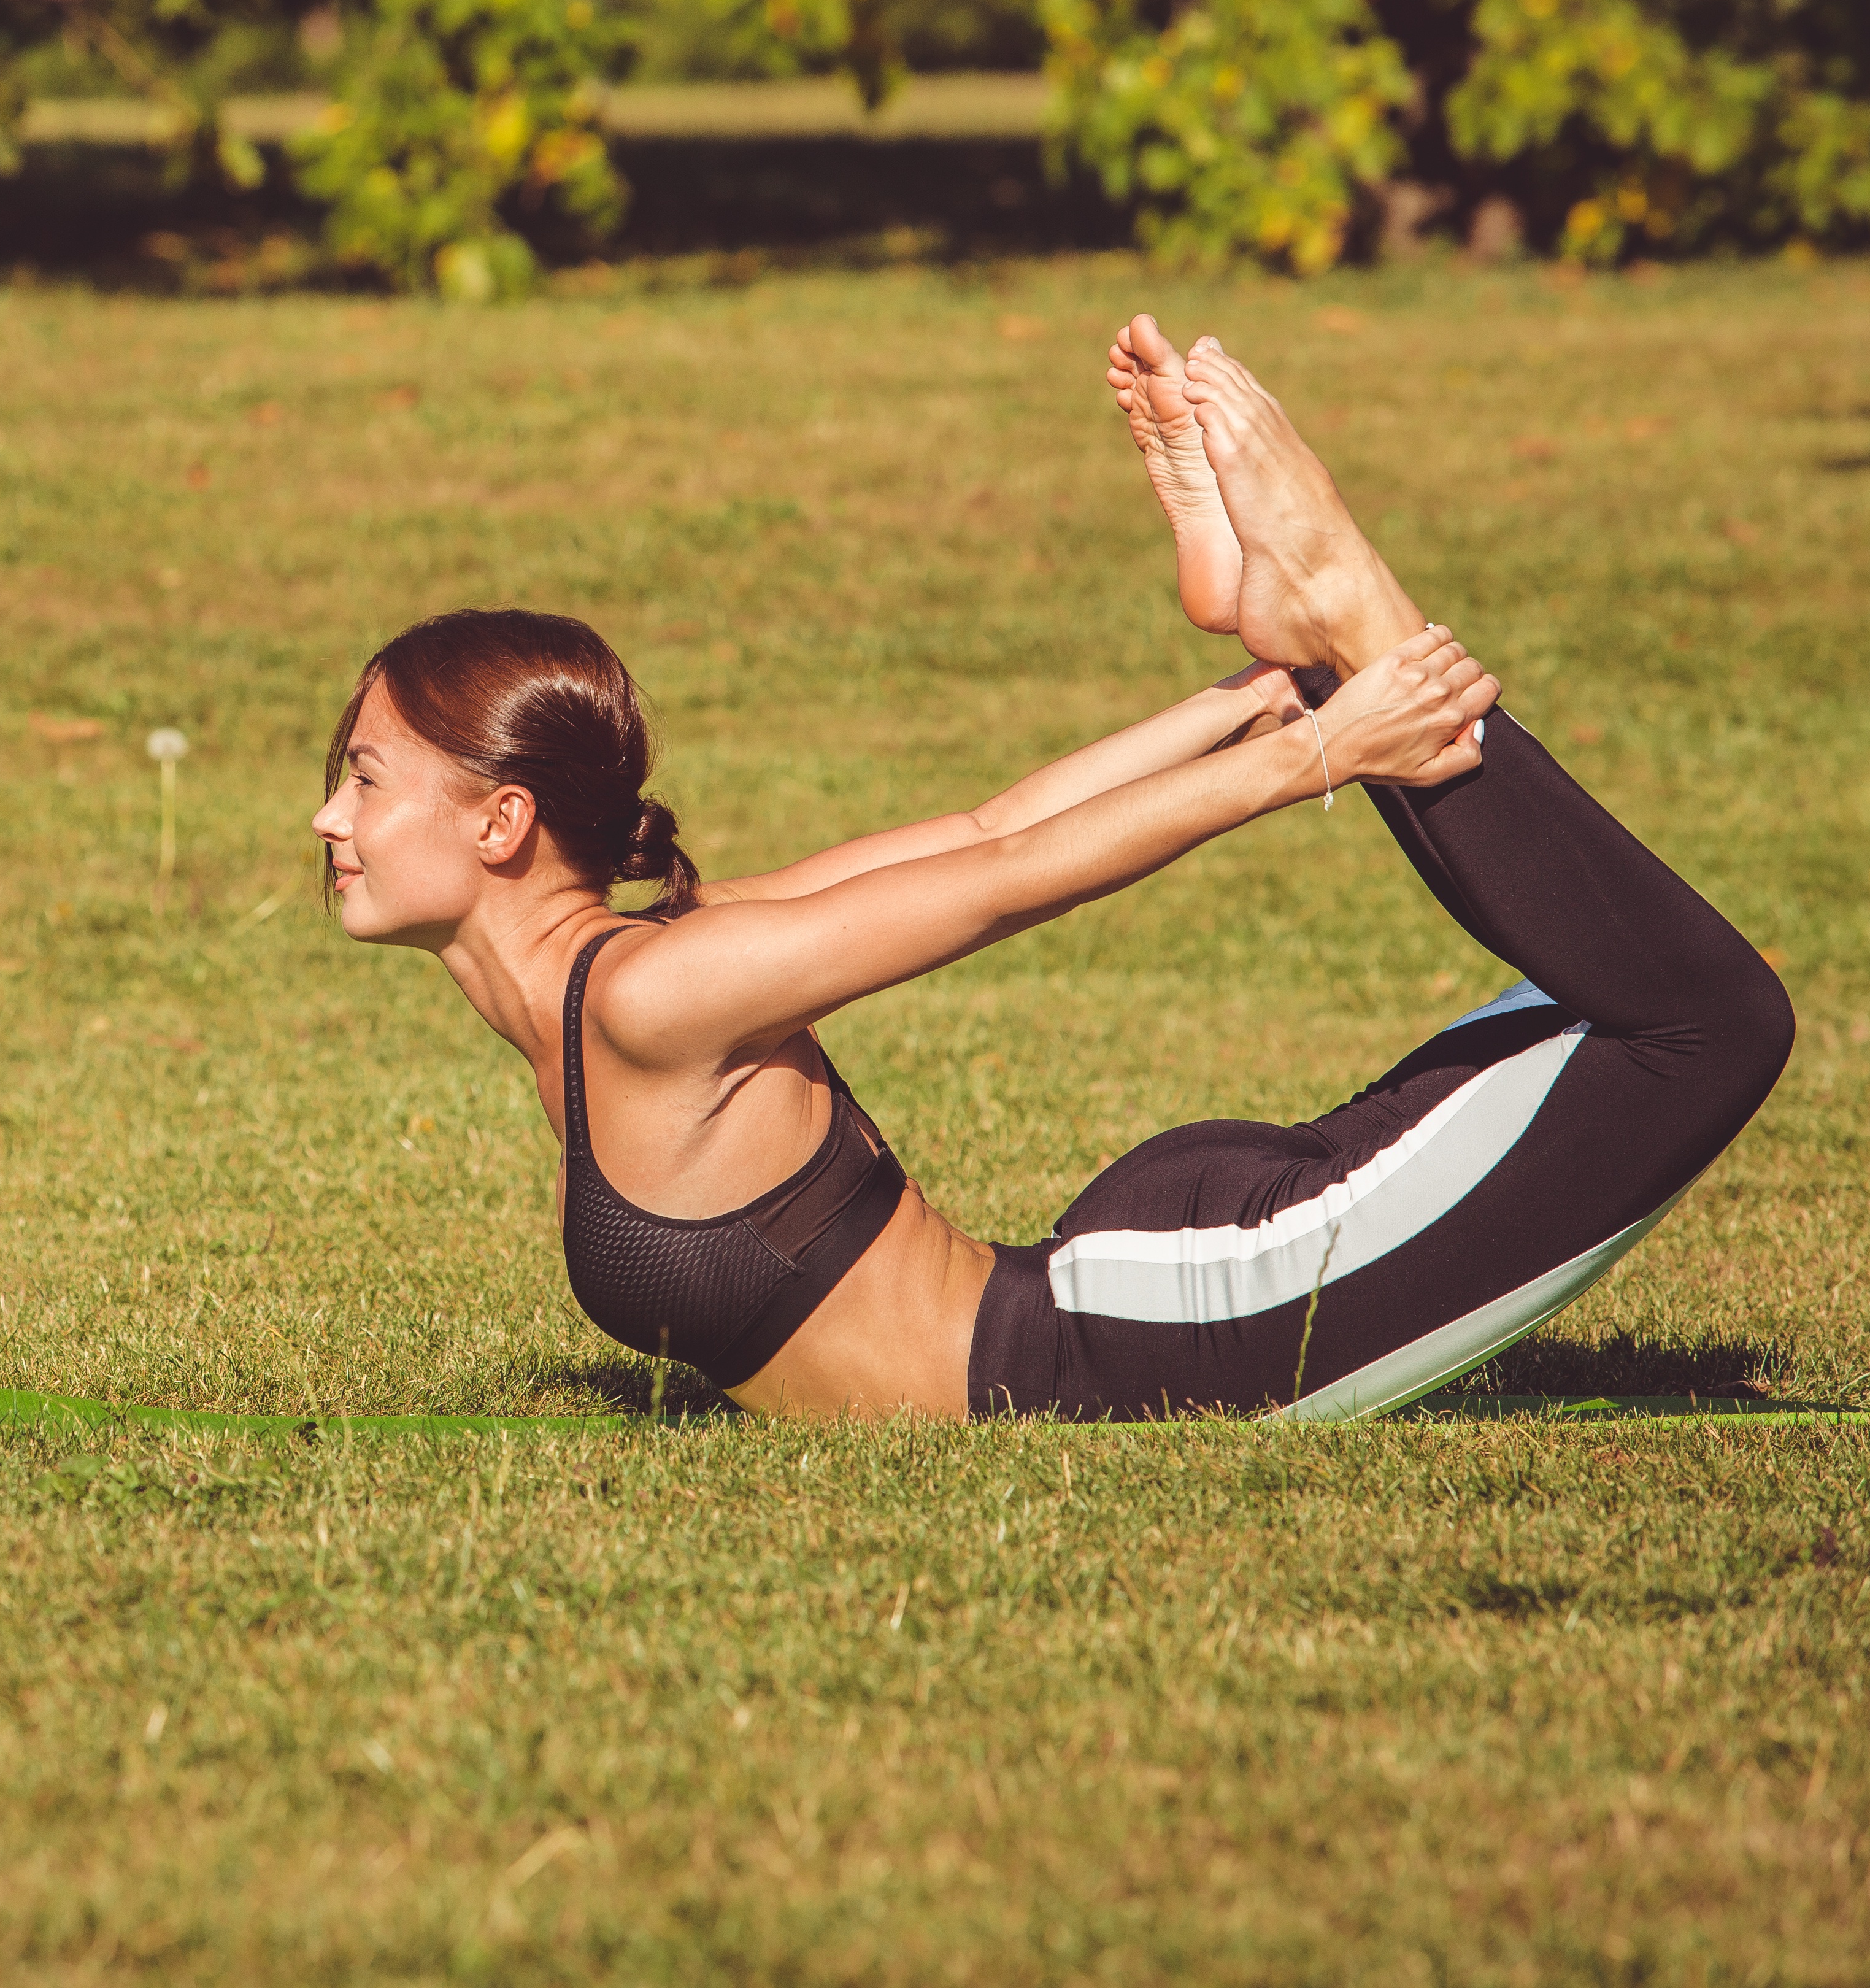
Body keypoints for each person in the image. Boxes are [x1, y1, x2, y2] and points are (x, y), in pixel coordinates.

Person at [309, 316, 1793, 1421]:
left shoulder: (653, 992)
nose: (329, 819)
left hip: (1185, 1334)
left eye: (363, 778)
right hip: (1133, 1297)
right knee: (1645, 1014)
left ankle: (1352, 611)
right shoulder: (643, 969)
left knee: (1705, 1026)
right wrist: (1241, 705)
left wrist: (1311, 754)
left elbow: (1004, 878)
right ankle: (1314, 638)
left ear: (501, 824)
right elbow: (979, 830)